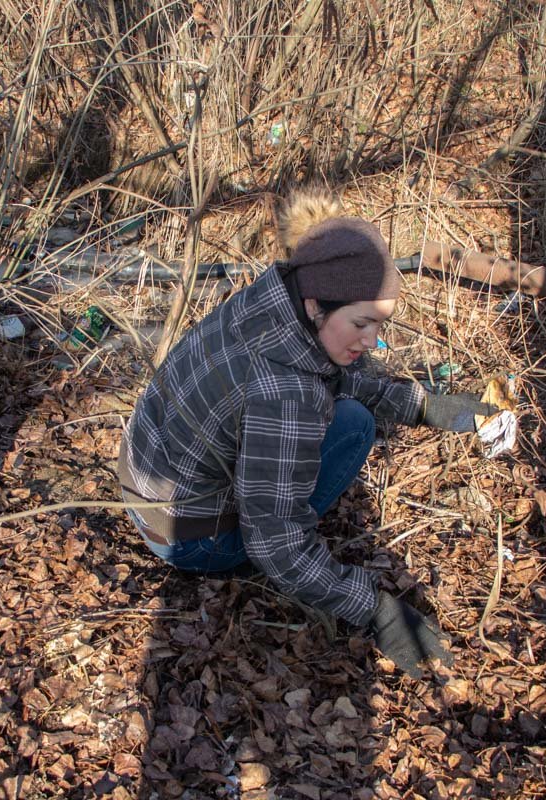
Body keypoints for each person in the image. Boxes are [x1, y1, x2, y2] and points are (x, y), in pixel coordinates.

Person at [118, 189, 495, 676]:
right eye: (362, 323)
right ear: (318, 305)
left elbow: (333, 365)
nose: (373, 341)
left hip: (140, 480)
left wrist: (423, 406)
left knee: (347, 401)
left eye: (379, 325)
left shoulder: (271, 299)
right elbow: (274, 544)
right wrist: (374, 610)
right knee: (355, 426)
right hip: (185, 538)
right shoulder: (285, 394)